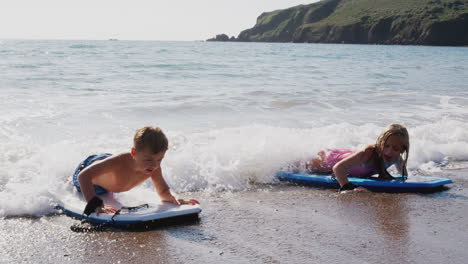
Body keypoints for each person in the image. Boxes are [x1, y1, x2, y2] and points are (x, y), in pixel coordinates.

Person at [72, 126, 199, 215]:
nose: (155, 165)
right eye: (148, 160)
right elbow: (83, 176)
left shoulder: (152, 167)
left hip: (108, 183)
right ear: (134, 152)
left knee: (106, 189)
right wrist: (95, 205)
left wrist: (175, 198)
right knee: (83, 185)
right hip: (87, 169)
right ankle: (67, 179)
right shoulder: (119, 163)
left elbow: (163, 191)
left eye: (159, 159)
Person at [306, 124, 409, 192]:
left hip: (343, 160)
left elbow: (404, 177)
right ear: (380, 142)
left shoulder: (397, 158)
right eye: (386, 146)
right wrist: (347, 188)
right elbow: (338, 168)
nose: (389, 151)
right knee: (302, 166)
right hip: (328, 161)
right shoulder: (367, 153)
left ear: (402, 150)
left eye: (395, 148)